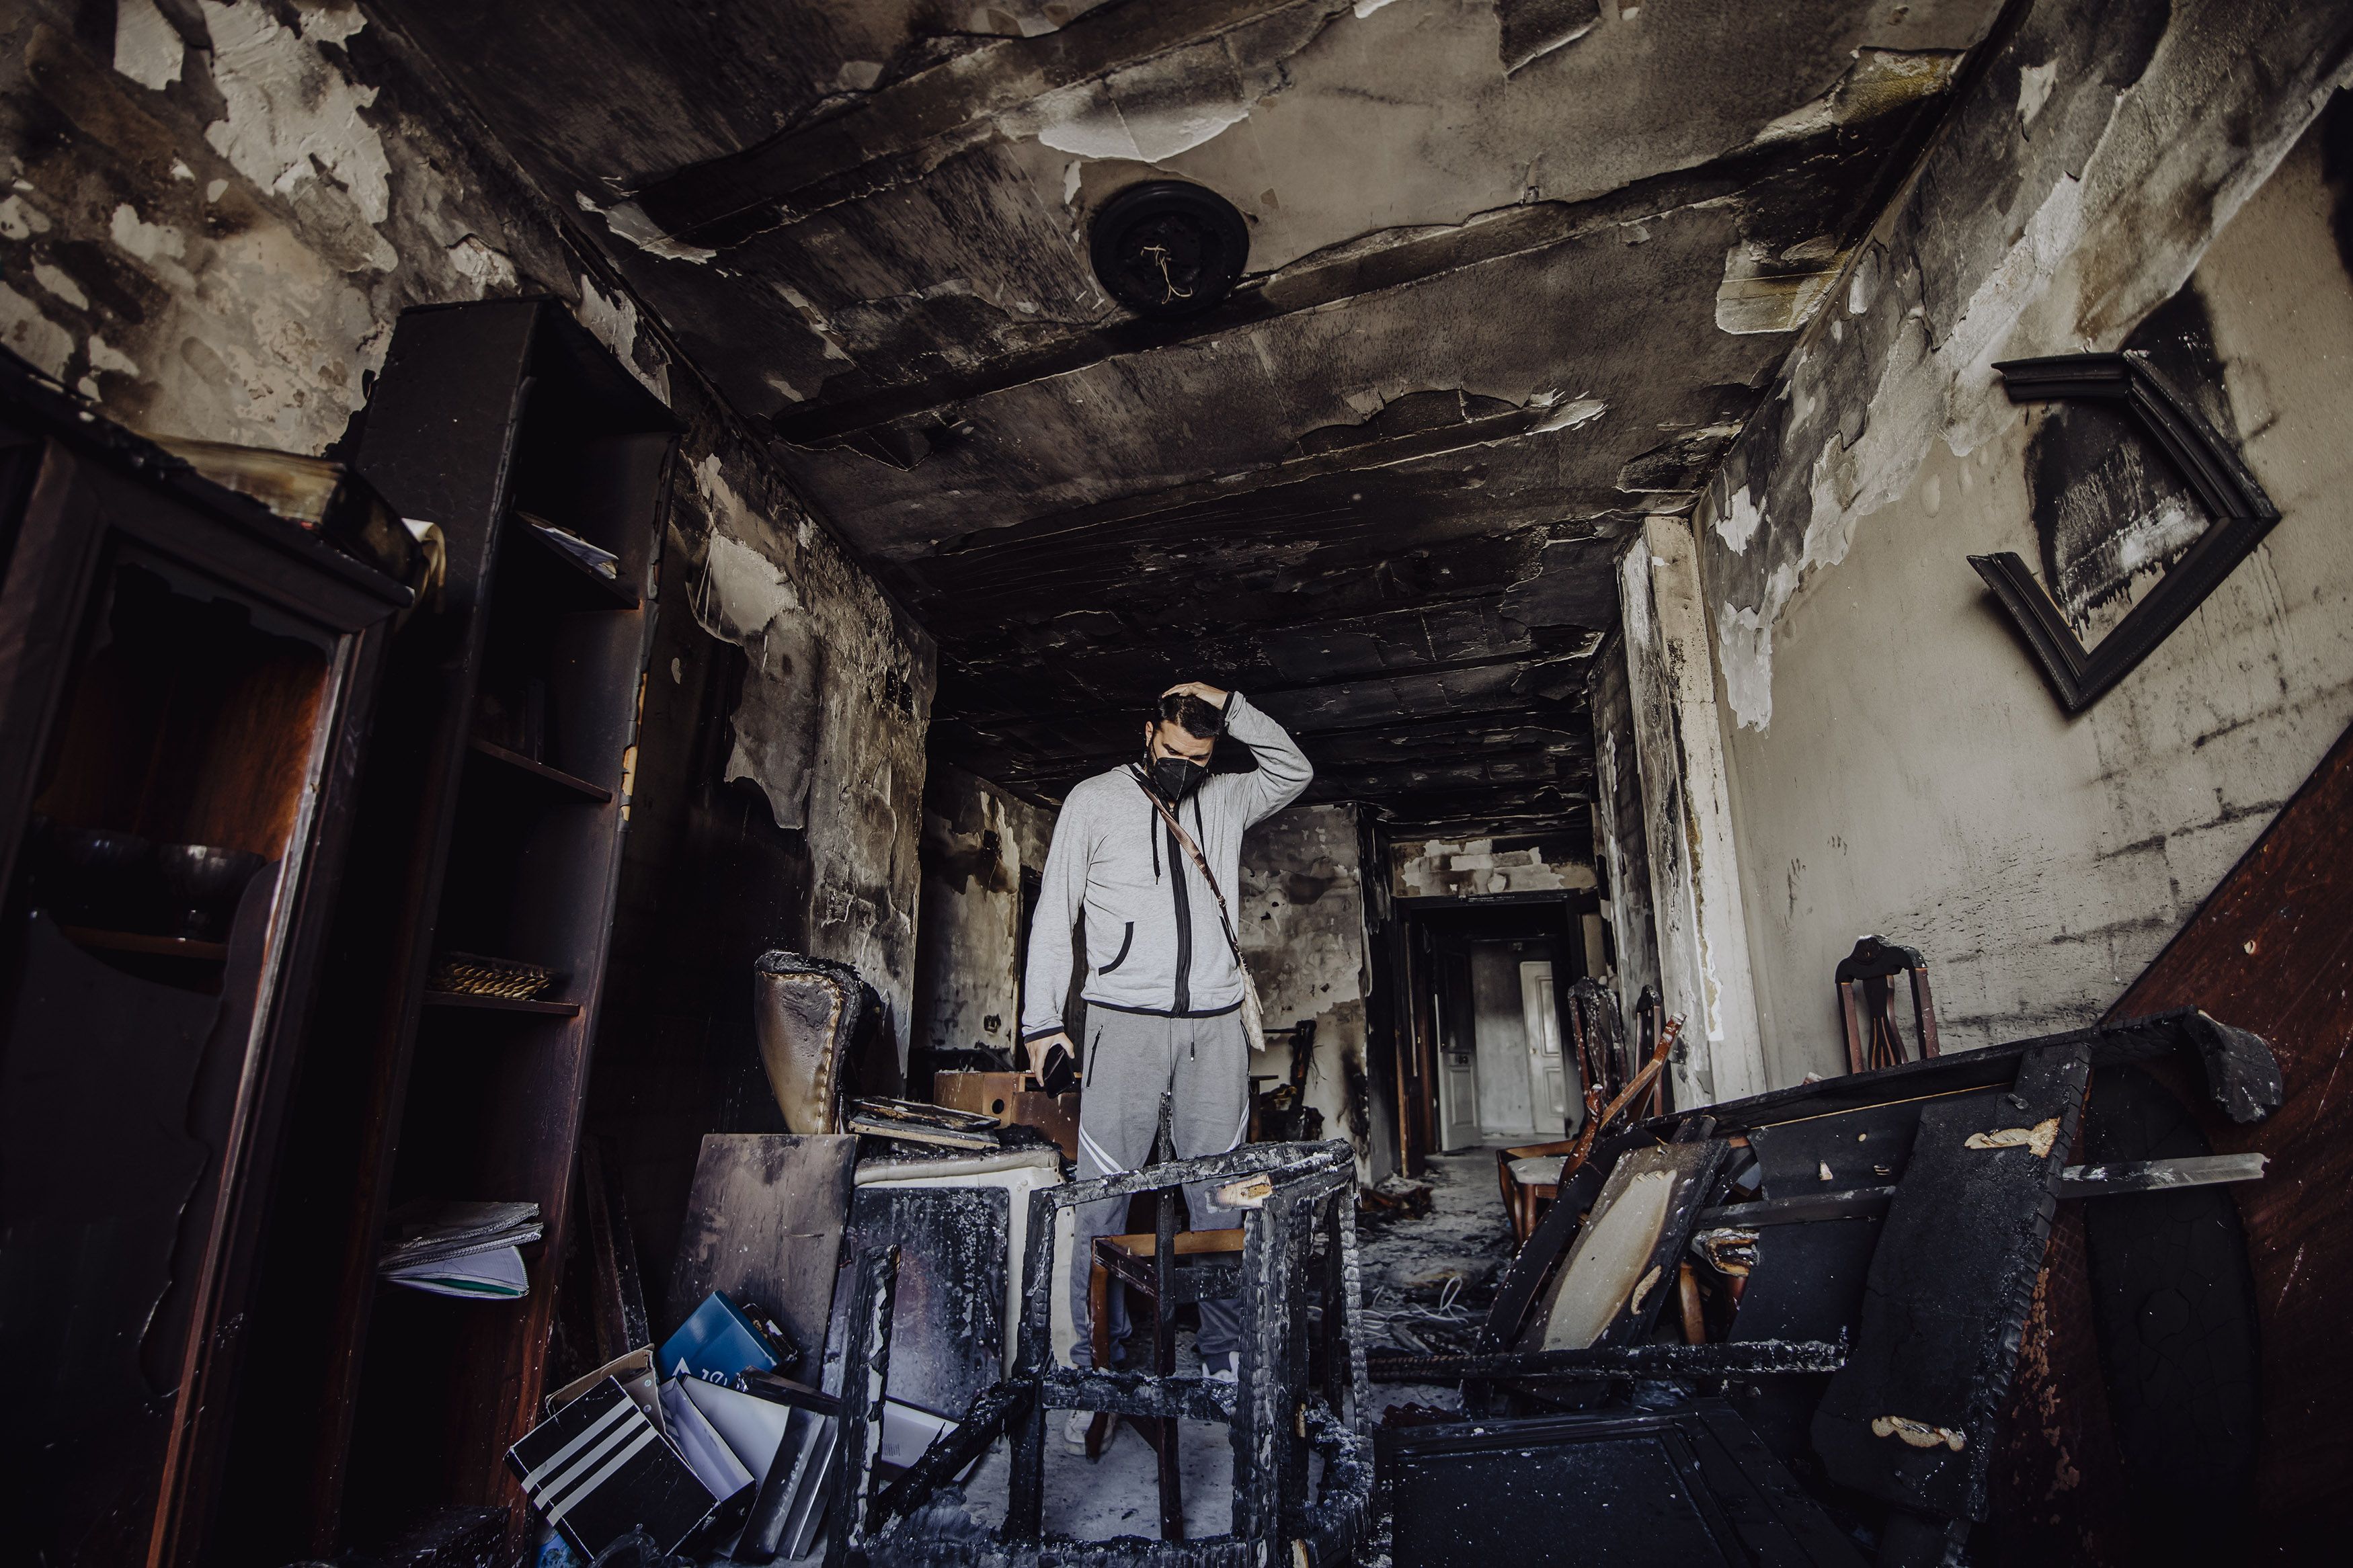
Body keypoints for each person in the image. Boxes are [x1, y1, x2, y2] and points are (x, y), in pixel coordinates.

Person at [1019, 680, 1312, 1447]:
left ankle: (1225, 1357)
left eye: (1199, 757)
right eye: (1172, 750)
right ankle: (1097, 1371)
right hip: (1122, 1024)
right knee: (1102, 1201)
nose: (1183, 766)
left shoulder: (1227, 797)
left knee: (1225, 1198)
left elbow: (1295, 769)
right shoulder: (1093, 800)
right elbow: (1055, 911)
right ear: (1147, 731)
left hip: (1215, 1027)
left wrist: (1232, 703)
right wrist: (1042, 1024)